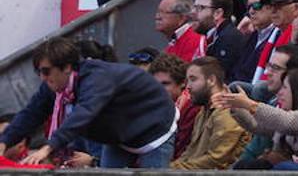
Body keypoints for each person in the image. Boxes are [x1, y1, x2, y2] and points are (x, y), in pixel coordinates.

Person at [0, 37, 178, 168]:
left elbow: (84, 112)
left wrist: (48, 147)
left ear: (67, 67)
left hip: (155, 129)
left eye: (46, 71)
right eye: (39, 72)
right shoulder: (55, 85)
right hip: (119, 134)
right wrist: (4, 142)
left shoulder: (97, 78)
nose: (42, 77)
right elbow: (31, 113)